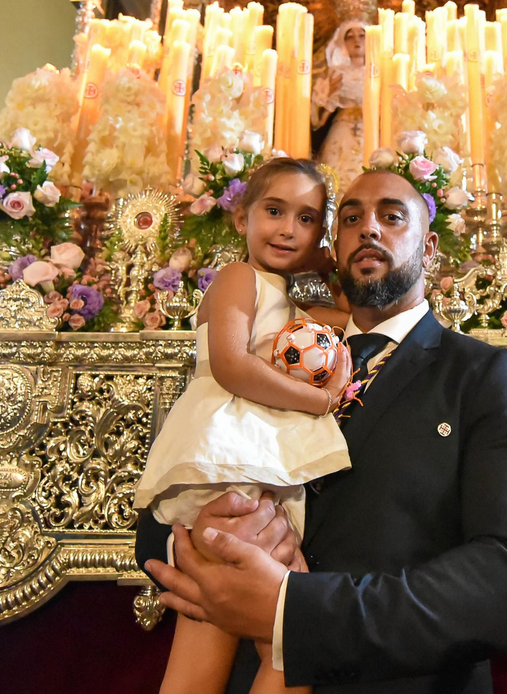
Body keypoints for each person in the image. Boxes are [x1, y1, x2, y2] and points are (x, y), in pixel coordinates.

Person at [137, 168, 507, 693]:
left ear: (429, 249)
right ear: (332, 250)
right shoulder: (270, 345)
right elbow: (163, 511)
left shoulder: (481, 377)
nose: (368, 229)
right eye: (350, 219)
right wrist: (199, 536)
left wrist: (295, 613)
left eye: (391, 216)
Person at [134, 158, 354, 694]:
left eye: (307, 220)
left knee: (256, 626)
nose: (287, 229)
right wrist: (319, 399)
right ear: (241, 219)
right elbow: (232, 365)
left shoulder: (295, 299)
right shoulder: (239, 278)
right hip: (225, 456)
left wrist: (325, 262)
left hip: (256, 459)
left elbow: (349, 314)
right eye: (274, 211)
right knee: (284, 625)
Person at [312, 22, 369, 188]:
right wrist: (326, 97)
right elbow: (319, 120)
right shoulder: (336, 72)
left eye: (361, 35)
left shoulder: (380, 71)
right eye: (349, 37)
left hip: (370, 127)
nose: (356, 41)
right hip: (343, 125)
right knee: (337, 174)